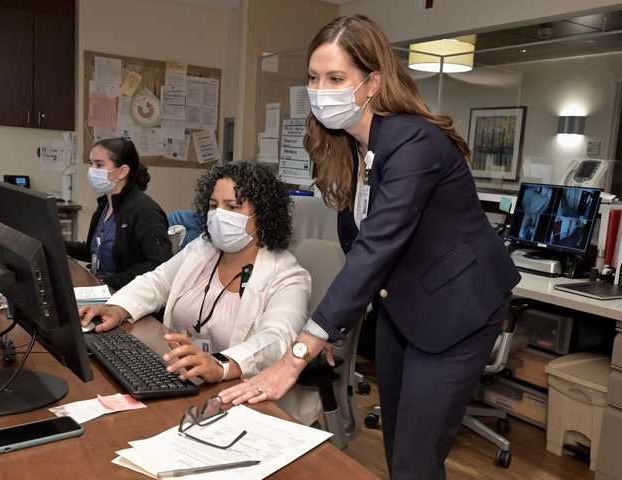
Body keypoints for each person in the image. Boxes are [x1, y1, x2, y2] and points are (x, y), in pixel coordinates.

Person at [219, 15, 521, 480]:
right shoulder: (354, 148)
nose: (322, 90)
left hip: (460, 307)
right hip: (406, 304)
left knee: (415, 459)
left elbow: (376, 248)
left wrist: (298, 352)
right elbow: (364, 250)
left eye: (337, 78)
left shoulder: (415, 143)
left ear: (373, 81)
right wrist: (331, 333)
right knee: (399, 444)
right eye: (315, 78)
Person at [79, 162, 319, 424]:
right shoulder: (202, 249)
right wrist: (117, 308)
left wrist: (222, 365)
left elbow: (277, 338)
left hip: (247, 401)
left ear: (263, 215)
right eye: (214, 206)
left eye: (233, 206)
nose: (218, 215)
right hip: (184, 384)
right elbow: (158, 281)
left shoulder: (288, 276)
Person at [65, 138, 172, 291]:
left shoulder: (144, 210)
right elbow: (95, 250)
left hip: (126, 295)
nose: (92, 170)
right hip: (102, 289)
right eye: (91, 164)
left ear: (122, 171)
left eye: (99, 165)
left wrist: (107, 282)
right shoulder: (105, 205)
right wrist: (58, 244)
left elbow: (159, 264)